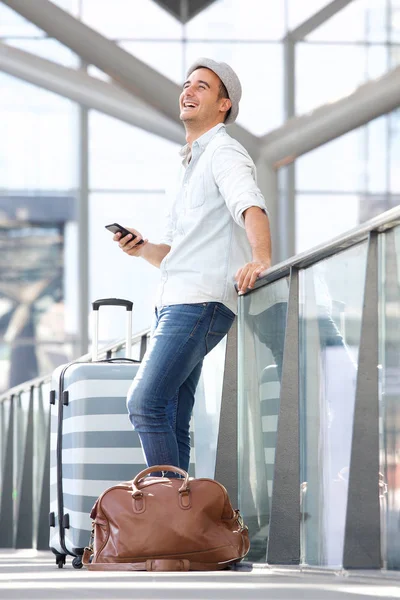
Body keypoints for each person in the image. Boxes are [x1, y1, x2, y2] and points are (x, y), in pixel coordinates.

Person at [113, 58, 271, 476]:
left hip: (198, 303)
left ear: (224, 104)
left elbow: (251, 205)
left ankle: (166, 517)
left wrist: (261, 260)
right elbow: (174, 255)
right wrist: (142, 248)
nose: (189, 91)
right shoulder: (188, 165)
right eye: (186, 84)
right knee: (171, 418)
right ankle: (180, 527)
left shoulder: (224, 151)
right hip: (176, 301)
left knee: (143, 403)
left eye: (202, 86)